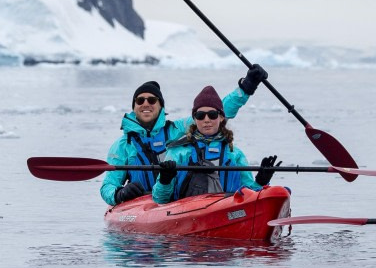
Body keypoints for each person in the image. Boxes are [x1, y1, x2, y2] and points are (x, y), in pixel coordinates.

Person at [100, 64, 268, 205]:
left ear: (160, 106)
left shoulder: (177, 130)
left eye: (152, 100)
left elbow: (216, 109)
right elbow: (108, 185)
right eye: (140, 100)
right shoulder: (123, 144)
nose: (146, 104)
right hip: (140, 205)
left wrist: (246, 87)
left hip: (175, 203)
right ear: (134, 106)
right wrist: (120, 194)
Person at [151, 85, 280, 204]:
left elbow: (251, 196)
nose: (206, 120)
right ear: (195, 119)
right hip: (186, 213)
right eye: (200, 115)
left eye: (212, 115)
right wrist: (165, 180)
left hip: (228, 211)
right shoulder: (177, 152)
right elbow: (159, 198)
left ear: (221, 117)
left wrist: (261, 181)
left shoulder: (235, 154)